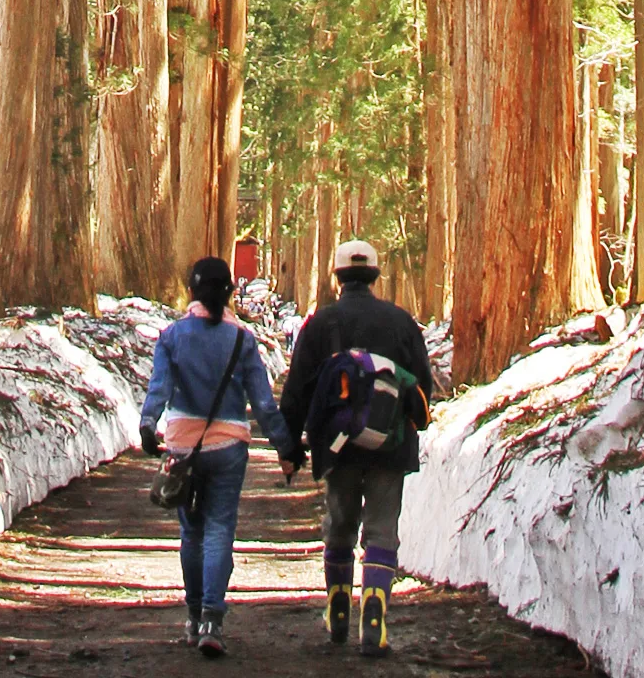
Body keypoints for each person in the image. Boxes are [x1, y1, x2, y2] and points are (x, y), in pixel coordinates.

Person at [279, 239, 435, 658]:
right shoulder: (401, 322)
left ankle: (338, 607)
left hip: (339, 445)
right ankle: (376, 613)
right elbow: (423, 387)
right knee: (383, 529)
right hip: (392, 444)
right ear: (376, 275)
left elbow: (297, 391)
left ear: (337, 275)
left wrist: (291, 446)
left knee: (341, 525)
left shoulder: (321, 323)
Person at [139, 255, 300, 658]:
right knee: (219, 530)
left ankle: (193, 618)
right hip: (229, 447)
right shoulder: (242, 340)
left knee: (190, 533)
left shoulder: (172, 336)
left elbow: (159, 388)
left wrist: (147, 425)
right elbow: (263, 404)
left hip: (181, 447)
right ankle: (213, 618)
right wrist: (286, 448)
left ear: (191, 291)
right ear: (230, 292)